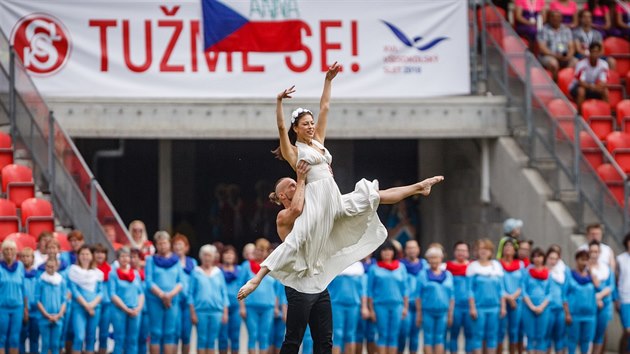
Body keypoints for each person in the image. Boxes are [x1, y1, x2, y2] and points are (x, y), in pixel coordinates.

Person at [145, 231, 184, 354]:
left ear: (169, 244)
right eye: (159, 243)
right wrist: (162, 295)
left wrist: (170, 295)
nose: (162, 246)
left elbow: (181, 282)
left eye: (165, 243)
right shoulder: (150, 260)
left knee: (170, 333)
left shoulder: (176, 260)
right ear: (156, 245)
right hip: (155, 300)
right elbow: (149, 282)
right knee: (155, 333)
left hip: (172, 301)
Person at [367, 241, 408, 354]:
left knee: (394, 335)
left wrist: (405, 307)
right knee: (382, 334)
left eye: (390, 250)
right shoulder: (374, 269)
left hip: (397, 306)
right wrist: (371, 310)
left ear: (394, 252)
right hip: (380, 306)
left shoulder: (401, 267)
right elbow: (370, 291)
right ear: (380, 252)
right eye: (384, 250)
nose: (387, 252)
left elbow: (405, 289)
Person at [467, 239, 506, 354]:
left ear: (491, 252)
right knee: (478, 335)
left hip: (495, 307)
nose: (484, 251)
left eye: (486, 249)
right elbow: (470, 290)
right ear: (476, 251)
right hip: (479, 307)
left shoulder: (497, 266)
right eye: (481, 248)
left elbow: (501, 290)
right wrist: (472, 307)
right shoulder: (473, 267)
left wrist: (503, 307)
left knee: (492, 335)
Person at [189, 245, 229, 354]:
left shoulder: (218, 272)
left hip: (217, 312)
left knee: (212, 341)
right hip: (200, 311)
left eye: (209, 255)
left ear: (213, 257)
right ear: (201, 256)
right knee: (201, 340)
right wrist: (192, 313)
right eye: (205, 255)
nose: (207, 258)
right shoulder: (195, 272)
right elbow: (190, 294)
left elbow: (224, 293)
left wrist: (225, 312)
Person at [240, 238, 277, 354]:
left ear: (267, 252)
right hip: (251, 306)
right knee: (253, 335)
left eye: (263, 250)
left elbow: (277, 289)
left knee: (264, 335)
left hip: (268, 307)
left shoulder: (271, 266)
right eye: (258, 249)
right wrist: (242, 307)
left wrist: (276, 307)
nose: (259, 252)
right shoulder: (246, 266)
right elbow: (240, 286)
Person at [417, 245, 454, 354]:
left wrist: (450, 314)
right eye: (431, 257)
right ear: (428, 259)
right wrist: (419, 314)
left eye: (436, 257)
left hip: (443, 312)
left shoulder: (448, 275)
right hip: (427, 311)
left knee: (440, 337)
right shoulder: (422, 274)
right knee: (428, 337)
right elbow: (418, 296)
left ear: (441, 258)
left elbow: (452, 296)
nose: (434, 260)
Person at [68, 245, 104, 354]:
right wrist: (87, 306)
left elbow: (101, 292)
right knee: (79, 337)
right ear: (78, 256)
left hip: (95, 308)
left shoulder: (97, 273)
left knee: (91, 337)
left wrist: (92, 305)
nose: (85, 257)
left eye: (87, 254)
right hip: (79, 308)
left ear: (91, 256)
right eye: (82, 254)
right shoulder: (73, 271)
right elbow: (74, 291)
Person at [109, 247, 144, 354]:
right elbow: (112, 294)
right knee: (119, 339)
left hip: (135, 311)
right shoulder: (113, 274)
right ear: (118, 259)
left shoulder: (135, 274)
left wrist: (138, 308)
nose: (125, 259)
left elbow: (141, 293)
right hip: (119, 311)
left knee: (133, 340)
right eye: (122, 256)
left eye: (127, 256)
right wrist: (126, 309)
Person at [564, 250, 600, 354]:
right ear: (576, 260)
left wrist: (592, 272)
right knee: (572, 340)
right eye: (582, 259)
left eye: (586, 260)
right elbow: (564, 296)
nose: (584, 262)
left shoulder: (591, 276)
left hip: (590, 316)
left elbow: (598, 287)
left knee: (586, 341)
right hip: (574, 315)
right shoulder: (570, 275)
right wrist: (567, 313)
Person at [328, 261, 365, 354]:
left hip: (354, 305)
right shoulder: (334, 263)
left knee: (350, 334)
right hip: (336, 305)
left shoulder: (359, 266)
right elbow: (327, 288)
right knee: (337, 334)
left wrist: (364, 307)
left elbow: (363, 289)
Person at [397, 240, 425, 354]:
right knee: (402, 333)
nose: (412, 250)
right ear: (405, 250)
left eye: (414, 248)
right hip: (404, 305)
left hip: (419, 305)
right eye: (409, 248)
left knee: (415, 334)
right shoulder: (399, 265)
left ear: (418, 249)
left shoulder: (425, 264)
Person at [497, 239, 524, 354]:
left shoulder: (520, 264)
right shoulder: (497, 264)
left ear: (515, 250)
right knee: (500, 331)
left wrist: (513, 297)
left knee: (514, 331)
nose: (508, 248)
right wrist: (508, 297)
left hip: (517, 302)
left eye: (510, 246)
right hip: (502, 302)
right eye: (505, 246)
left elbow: (523, 284)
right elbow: (498, 284)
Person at [521, 248, 551, 354]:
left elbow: (550, 293)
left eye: (540, 256)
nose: (537, 259)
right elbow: (523, 290)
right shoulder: (526, 272)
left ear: (544, 258)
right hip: (528, 308)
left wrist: (541, 306)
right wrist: (532, 306)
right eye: (535, 256)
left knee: (541, 336)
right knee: (530, 335)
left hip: (544, 309)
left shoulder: (548, 273)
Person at [0, 240, 27, 354]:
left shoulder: (20, 266)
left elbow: (23, 288)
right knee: (1, 338)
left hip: (18, 307)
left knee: (15, 338)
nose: (9, 252)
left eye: (12, 249)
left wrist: (26, 308)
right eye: (6, 249)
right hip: (2, 307)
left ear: (16, 252)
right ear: (2, 252)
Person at [36, 256, 67, 354]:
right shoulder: (40, 280)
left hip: (58, 317)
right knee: (45, 343)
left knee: (55, 344)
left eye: (53, 266)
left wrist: (59, 315)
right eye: (49, 266)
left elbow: (64, 300)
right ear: (45, 266)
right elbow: (37, 300)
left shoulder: (61, 281)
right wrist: (46, 315)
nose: (51, 268)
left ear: (57, 267)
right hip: (44, 317)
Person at [588, 241, 614, 354]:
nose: (594, 254)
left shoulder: (606, 268)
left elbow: (611, 286)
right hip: (590, 305)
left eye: (596, 251)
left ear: (600, 253)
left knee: (600, 334)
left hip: (604, 305)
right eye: (592, 251)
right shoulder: (585, 268)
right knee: (588, 334)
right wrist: (596, 297)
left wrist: (600, 295)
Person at [172, 233, 197, 354]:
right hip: (174, 301)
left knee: (186, 334)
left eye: (181, 245)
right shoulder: (170, 262)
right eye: (175, 245)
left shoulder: (193, 263)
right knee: (175, 333)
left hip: (188, 302)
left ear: (186, 247)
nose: (178, 248)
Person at [446, 241, 472, 354]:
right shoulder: (447, 267)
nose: (461, 253)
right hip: (455, 307)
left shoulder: (473, 267)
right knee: (453, 335)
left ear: (468, 253)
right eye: (459, 250)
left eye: (464, 250)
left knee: (470, 335)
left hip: (470, 306)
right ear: (454, 252)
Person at [538, 10, 578, 81]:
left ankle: (566, 82)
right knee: (554, 64)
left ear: (561, 18)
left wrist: (569, 55)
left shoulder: (566, 29)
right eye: (553, 17)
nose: (555, 19)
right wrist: (555, 55)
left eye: (558, 17)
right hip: (549, 56)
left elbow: (571, 46)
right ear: (549, 18)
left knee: (576, 62)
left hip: (564, 56)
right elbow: (542, 48)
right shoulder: (544, 30)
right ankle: (555, 86)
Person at [570, 41, 610, 108]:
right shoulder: (581, 64)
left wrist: (597, 87)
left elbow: (603, 82)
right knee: (581, 91)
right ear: (589, 52)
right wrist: (592, 87)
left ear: (599, 53)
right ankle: (579, 115)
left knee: (605, 91)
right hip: (577, 87)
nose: (595, 54)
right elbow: (581, 82)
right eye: (593, 52)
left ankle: (606, 114)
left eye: (597, 52)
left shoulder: (604, 64)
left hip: (593, 86)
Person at [219, 245, 242, 354]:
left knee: (235, 335)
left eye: (231, 253)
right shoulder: (217, 271)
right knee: (222, 336)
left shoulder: (240, 270)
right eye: (226, 253)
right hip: (222, 307)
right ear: (222, 256)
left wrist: (243, 307)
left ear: (235, 257)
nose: (228, 255)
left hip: (236, 307)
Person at [546, 245, 569, 354]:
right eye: (551, 258)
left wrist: (567, 311)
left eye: (555, 258)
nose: (553, 261)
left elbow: (566, 292)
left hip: (560, 310)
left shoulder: (564, 271)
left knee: (560, 338)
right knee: (547, 337)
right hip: (548, 309)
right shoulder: (543, 271)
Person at [130, 248, 149, 354]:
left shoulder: (146, 272)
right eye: (131, 257)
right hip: (133, 308)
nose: (133, 260)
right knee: (132, 338)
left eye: (135, 257)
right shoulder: (125, 272)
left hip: (146, 308)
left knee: (143, 337)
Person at [20, 247, 39, 354]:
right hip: (22, 311)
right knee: (21, 339)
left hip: (36, 312)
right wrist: (24, 309)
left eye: (27, 256)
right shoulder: (19, 273)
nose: (25, 259)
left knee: (34, 339)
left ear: (32, 259)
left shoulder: (38, 274)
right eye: (23, 256)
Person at [357, 255, 377, 354]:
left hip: (374, 305)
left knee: (372, 335)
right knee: (358, 335)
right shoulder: (355, 265)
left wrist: (370, 307)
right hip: (358, 305)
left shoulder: (376, 265)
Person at [93, 244, 112, 354]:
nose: (100, 255)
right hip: (94, 305)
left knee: (104, 334)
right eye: (97, 252)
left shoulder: (111, 270)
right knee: (90, 333)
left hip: (107, 304)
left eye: (102, 253)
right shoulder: (90, 270)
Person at [617, 233, 630, 354]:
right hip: (625, 299)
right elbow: (616, 279)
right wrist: (617, 299)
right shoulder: (620, 259)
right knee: (628, 330)